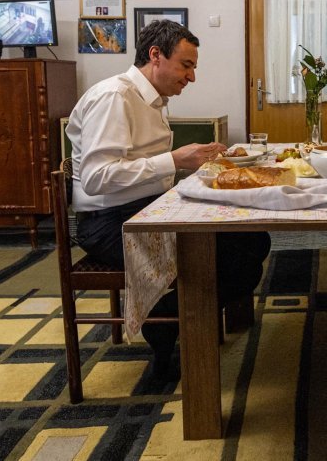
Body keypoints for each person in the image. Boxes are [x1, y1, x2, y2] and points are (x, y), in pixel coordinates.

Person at [65, 20, 271, 379]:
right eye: (186, 65)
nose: (192, 77)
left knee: (253, 238)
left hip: (145, 208)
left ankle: (171, 315)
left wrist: (196, 165)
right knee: (234, 256)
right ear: (155, 55)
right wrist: (175, 160)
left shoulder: (152, 100)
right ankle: (169, 321)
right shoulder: (114, 97)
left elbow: (146, 171)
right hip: (109, 225)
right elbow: (97, 179)